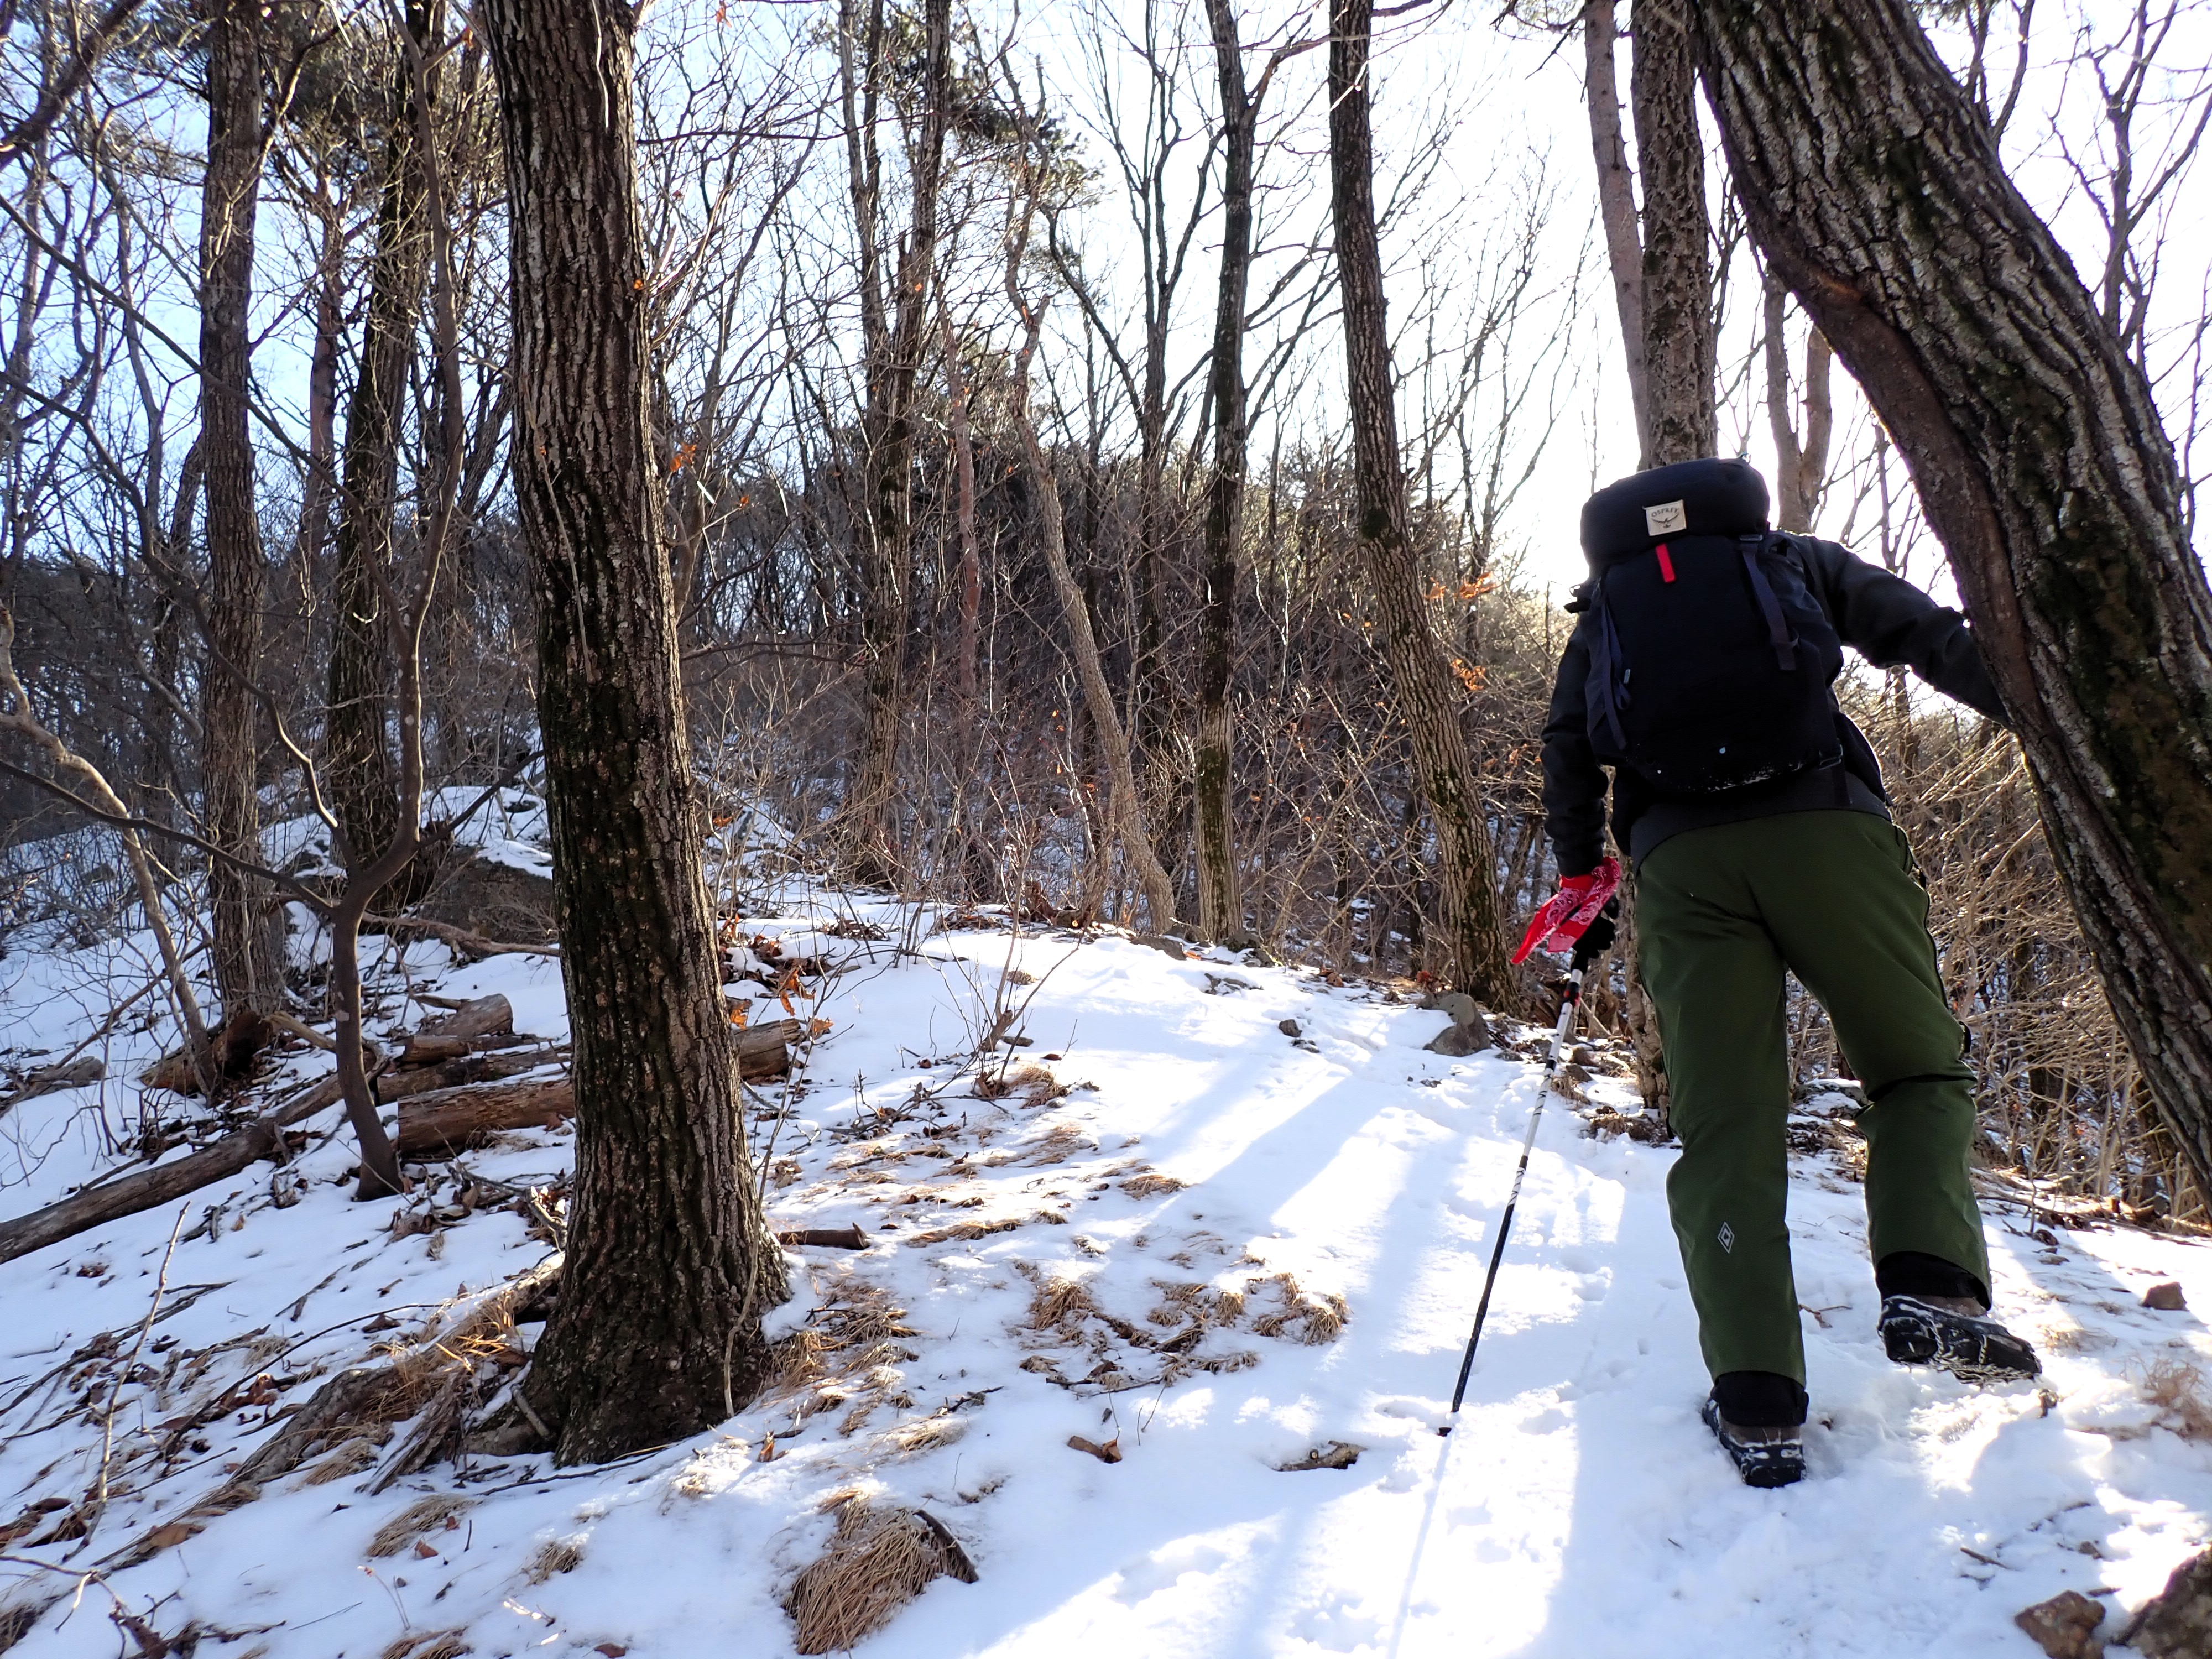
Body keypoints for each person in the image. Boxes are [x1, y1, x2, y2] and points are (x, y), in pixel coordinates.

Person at [1522, 457, 2039, 1490]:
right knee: (1915, 1069)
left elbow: (1568, 748)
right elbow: (1922, 633)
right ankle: (1933, 1284)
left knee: (1728, 1128)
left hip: (1681, 864)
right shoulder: (1789, 558)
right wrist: (2045, 714)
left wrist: (1584, 876)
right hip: (1825, 831)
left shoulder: (1606, 608)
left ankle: (1760, 1403)